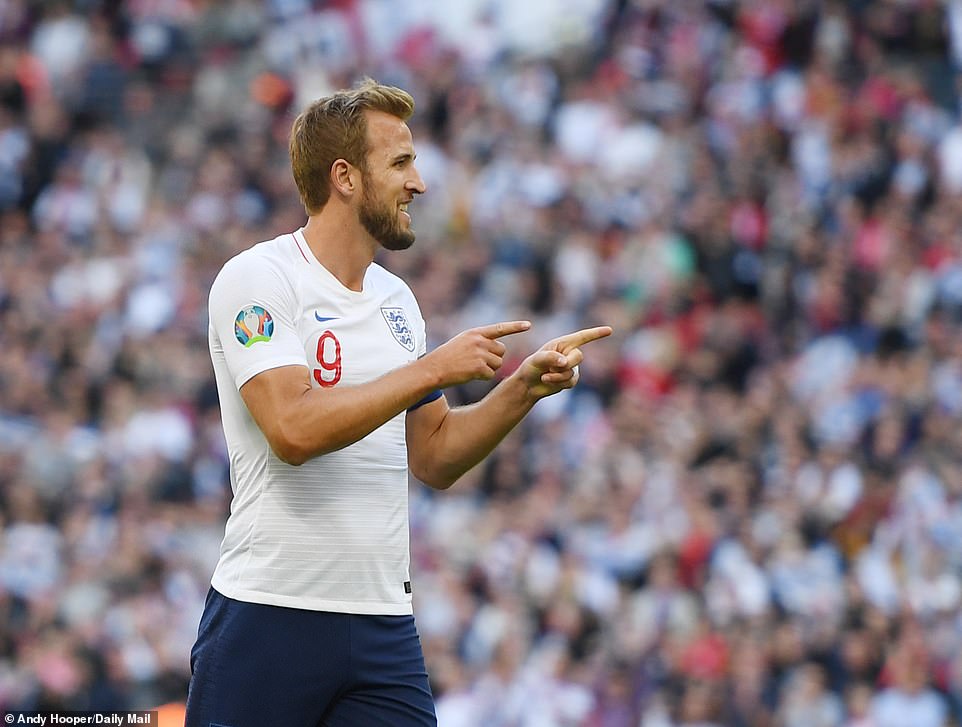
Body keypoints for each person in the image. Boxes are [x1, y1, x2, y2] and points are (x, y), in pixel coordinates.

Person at [184, 77, 611, 727]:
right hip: (268, 613)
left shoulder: (396, 301)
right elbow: (292, 431)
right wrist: (431, 369)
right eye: (402, 162)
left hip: (382, 623)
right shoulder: (259, 279)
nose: (420, 183)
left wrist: (521, 389)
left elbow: (434, 456)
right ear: (345, 177)